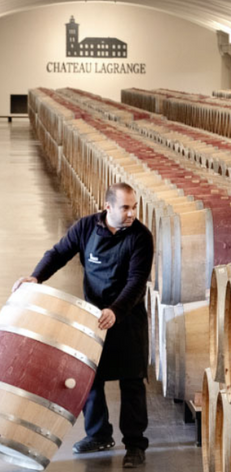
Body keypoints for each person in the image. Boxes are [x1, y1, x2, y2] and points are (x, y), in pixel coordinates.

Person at [12, 182, 154, 468]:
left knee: (132, 383)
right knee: (90, 379)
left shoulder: (141, 237)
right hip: (93, 317)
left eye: (134, 207)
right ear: (108, 207)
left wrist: (115, 310)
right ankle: (98, 434)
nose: (131, 213)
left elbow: (137, 282)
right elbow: (58, 253)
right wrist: (36, 277)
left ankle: (135, 445)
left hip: (127, 318)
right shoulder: (86, 227)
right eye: (125, 207)